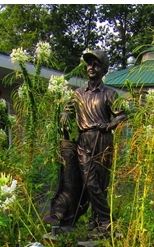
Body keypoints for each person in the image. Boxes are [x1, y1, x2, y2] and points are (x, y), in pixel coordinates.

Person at [49, 49, 127, 237]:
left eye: (96, 64)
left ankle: (97, 223)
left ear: (104, 69)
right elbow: (66, 110)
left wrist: (109, 125)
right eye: (89, 64)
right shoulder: (77, 94)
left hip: (102, 140)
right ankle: (106, 221)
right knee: (89, 182)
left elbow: (122, 115)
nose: (91, 67)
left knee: (100, 184)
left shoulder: (109, 94)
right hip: (84, 140)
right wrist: (65, 114)